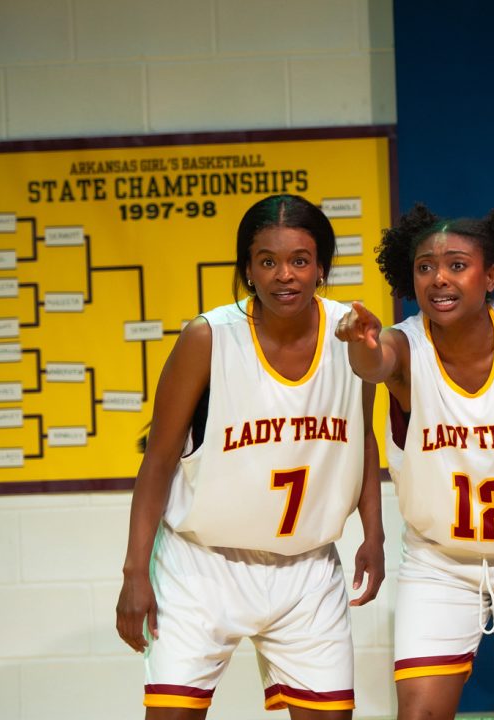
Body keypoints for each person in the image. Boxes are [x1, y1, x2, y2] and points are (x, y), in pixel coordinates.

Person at [115, 194, 384, 719]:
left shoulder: (350, 334)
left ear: (321, 267)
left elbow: (364, 440)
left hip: (306, 568)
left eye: (300, 260)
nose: (285, 275)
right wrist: (133, 572)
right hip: (201, 565)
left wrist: (373, 534)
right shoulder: (207, 337)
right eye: (268, 261)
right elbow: (160, 459)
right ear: (248, 270)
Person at [334, 204, 494, 720]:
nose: (439, 278)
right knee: (420, 712)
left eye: (456, 265)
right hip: (438, 561)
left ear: (490, 275)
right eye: (425, 267)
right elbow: (373, 363)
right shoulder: (401, 344)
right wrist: (360, 344)